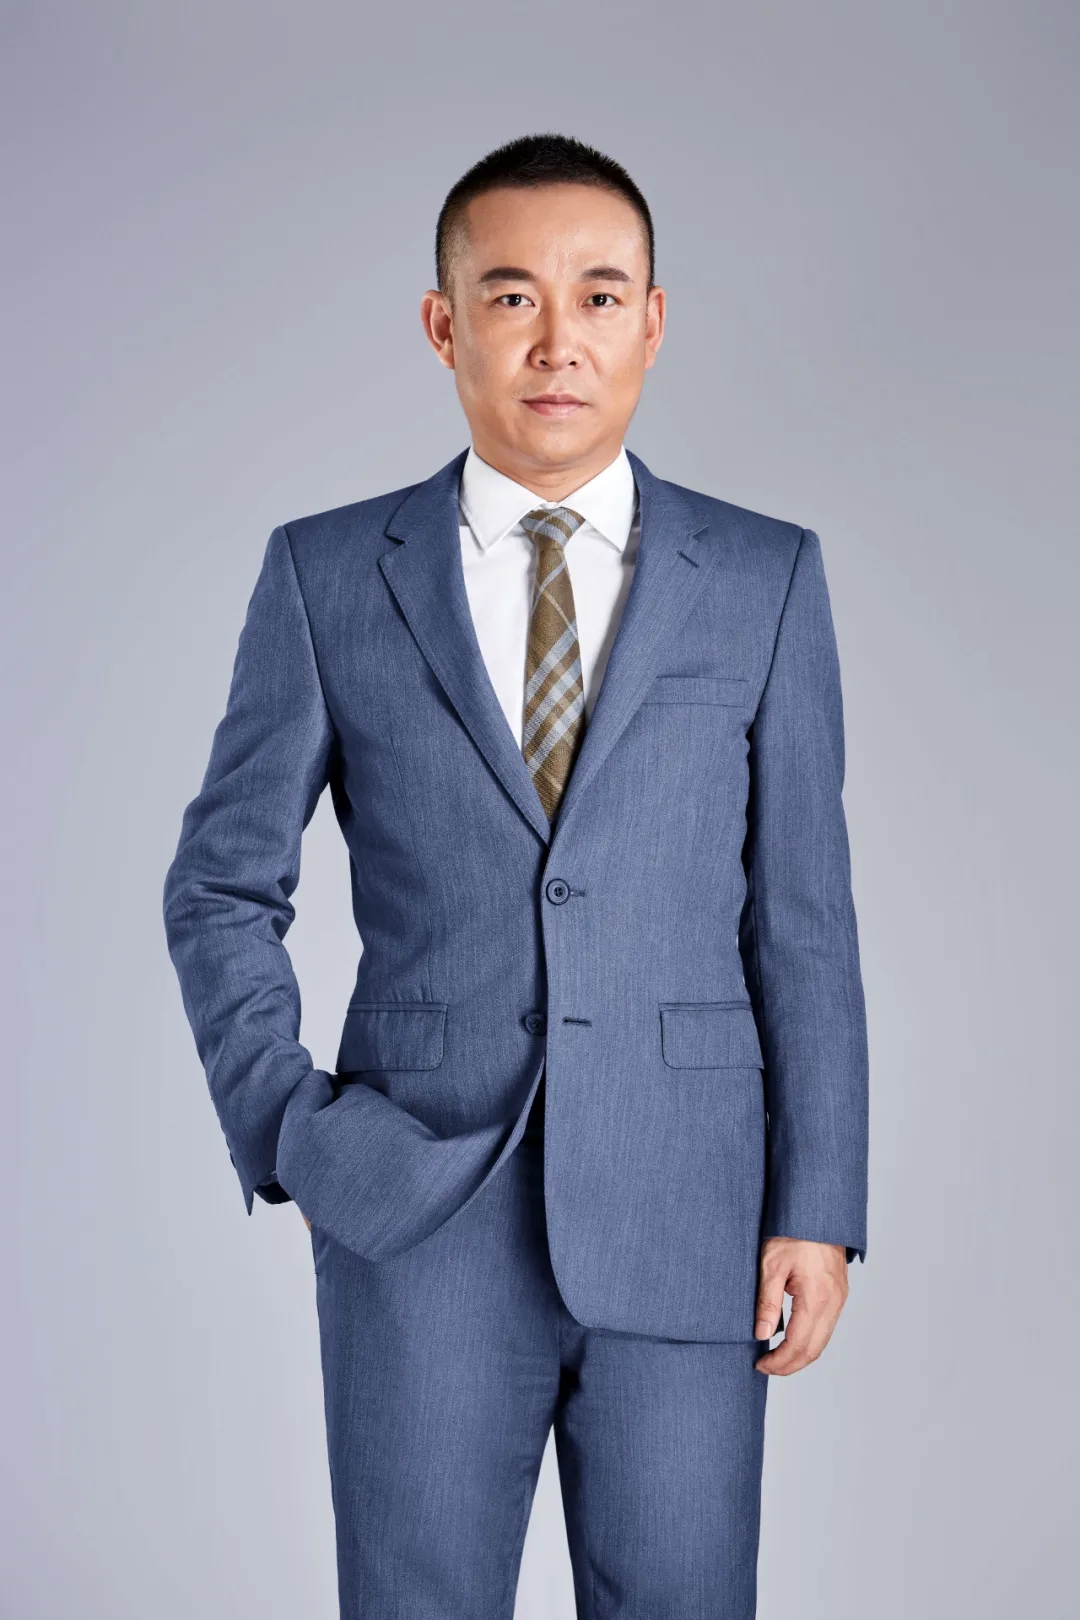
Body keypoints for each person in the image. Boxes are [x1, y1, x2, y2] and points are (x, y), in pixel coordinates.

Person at [163, 131, 869, 1619]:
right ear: (444, 325)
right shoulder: (327, 575)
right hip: (413, 1208)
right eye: (510, 297)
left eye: (599, 296)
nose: (559, 341)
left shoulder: (766, 579)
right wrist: (289, 1127)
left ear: (652, 323)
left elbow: (803, 922)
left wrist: (818, 1200)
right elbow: (221, 884)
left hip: (692, 1214)